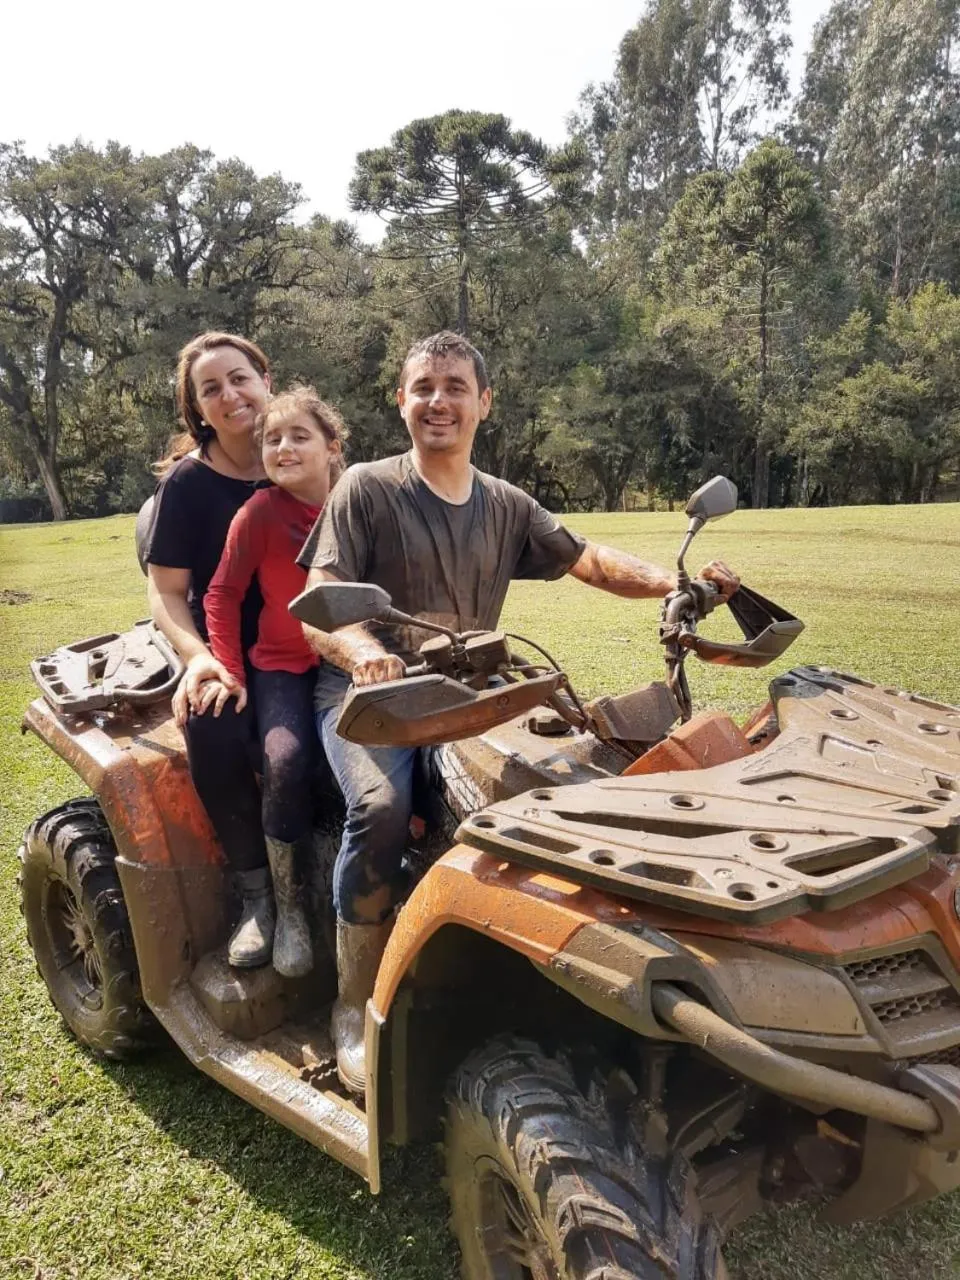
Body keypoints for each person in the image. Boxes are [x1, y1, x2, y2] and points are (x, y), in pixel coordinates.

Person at [297, 329, 740, 1093]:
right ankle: (352, 1004)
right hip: (374, 700)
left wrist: (671, 584)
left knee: (567, 776)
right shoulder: (366, 487)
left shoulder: (505, 503)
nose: (440, 400)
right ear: (400, 400)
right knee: (379, 804)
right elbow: (318, 610)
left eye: (456, 386)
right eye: (424, 386)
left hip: (472, 691)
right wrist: (363, 650)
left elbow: (586, 557)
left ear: (484, 403)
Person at [144, 330, 277, 969]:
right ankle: (257, 892)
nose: (229, 396)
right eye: (210, 389)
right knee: (214, 725)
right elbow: (167, 592)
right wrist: (197, 657)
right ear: (198, 409)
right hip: (221, 643)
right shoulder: (189, 487)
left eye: (239, 378)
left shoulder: (306, 457)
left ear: (265, 381)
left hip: (303, 641)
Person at [203, 387, 346, 976]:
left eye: (299, 436)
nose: (283, 448)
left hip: (347, 663)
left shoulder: (361, 501)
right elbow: (222, 593)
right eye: (272, 440)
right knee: (284, 759)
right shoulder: (259, 515)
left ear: (333, 446)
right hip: (283, 666)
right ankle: (287, 911)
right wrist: (229, 670)